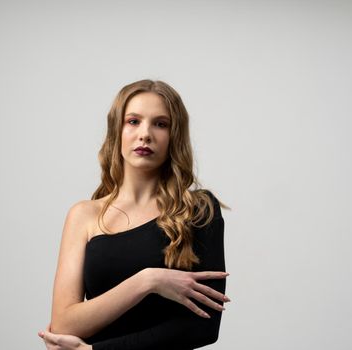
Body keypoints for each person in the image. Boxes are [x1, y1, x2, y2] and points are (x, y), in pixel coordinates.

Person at [38, 79, 230, 349]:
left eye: (160, 124)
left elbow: (203, 327)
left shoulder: (199, 210)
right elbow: (63, 324)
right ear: (117, 130)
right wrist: (147, 281)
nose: (145, 134)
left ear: (174, 136)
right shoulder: (84, 216)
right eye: (133, 121)